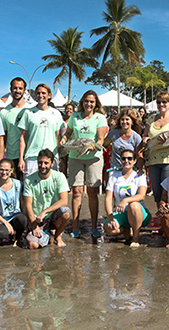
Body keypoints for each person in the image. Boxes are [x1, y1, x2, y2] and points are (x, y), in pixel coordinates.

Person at [61, 90, 107, 238]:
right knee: (76, 192)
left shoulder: (100, 118)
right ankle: (75, 226)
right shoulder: (74, 116)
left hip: (94, 157)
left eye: (92, 102)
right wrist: (64, 139)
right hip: (75, 156)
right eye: (86, 101)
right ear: (82, 102)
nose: (89, 104)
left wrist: (95, 145)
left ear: (96, 104)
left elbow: (100, 139)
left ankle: (94, 226)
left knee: (92, 192)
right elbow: (68, 133)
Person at [142, 91, 169, 206]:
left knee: (168, 193)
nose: (161, 104)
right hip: (153, 161)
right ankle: (160, 219)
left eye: (164, 102)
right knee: (157, 193)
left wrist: (167, 142)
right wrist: (145, 139)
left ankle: (168, 219)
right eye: (159, 102)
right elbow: (145, 136)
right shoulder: (151, 119)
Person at [23, 149, 71, 249]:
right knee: (32, 245)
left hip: (53, 215)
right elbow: (27, 205)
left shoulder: (59, 176)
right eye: (40, 163)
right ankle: (47, 234)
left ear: (52, 163)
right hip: (38, 219)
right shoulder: (29, 180)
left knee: (66, 213)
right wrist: (33, 224)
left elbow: (64, 200)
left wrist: (45, 211)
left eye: (46, 163)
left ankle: (57, 235)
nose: (43, 166)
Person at [103, 149, 151, 247]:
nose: (126, 161)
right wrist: (110, 217)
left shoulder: (139, 176)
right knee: (109, 228)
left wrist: (126, 200)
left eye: (129, 158)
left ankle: (136, 238)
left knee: (133, 206)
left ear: (134, 161)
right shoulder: (114, 177)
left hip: (138, 212)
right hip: (121, 212)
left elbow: (142, 195)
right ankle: (125, 230)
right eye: (123, 158)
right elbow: (108, 198)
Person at [18, 84, 64, 176]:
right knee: (30, 189)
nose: (40, 95)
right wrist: (21, 159)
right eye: (38, 93)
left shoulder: (56, 113)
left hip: (51, 158)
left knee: (51, 189)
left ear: (49, 95)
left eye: (43, 93)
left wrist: (60, 157)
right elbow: (22, 137)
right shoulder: (28, 113)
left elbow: (58, 137)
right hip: (32, 158)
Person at [0, 158, 27, 249]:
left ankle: (18, 238)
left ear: (11, 170)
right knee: (1, 233)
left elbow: (23, 204)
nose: (4, 172)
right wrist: (6, 223)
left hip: (15, 216)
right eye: (2, 170)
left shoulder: (18, 184)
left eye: (7, 170)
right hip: (0, 218)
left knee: (22, 220)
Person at [0, 77, 31, 179]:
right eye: (15, 88)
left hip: (29, 156)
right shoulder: (4, 112)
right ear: (11, 89)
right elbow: (2, 138)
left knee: (28, 192)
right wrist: (1, 159)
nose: (17, 91)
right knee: (14, 190)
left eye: (20, 88)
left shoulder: (31, 109)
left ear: (24, 90)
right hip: (12, 157)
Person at [59, 103, 75, 176]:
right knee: (63, 166)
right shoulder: (61, 121)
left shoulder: (74, 121)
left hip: (72, 146)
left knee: (72, 165)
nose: (68, 110)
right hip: (63, 145)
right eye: (67, 109)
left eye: (70, 109)